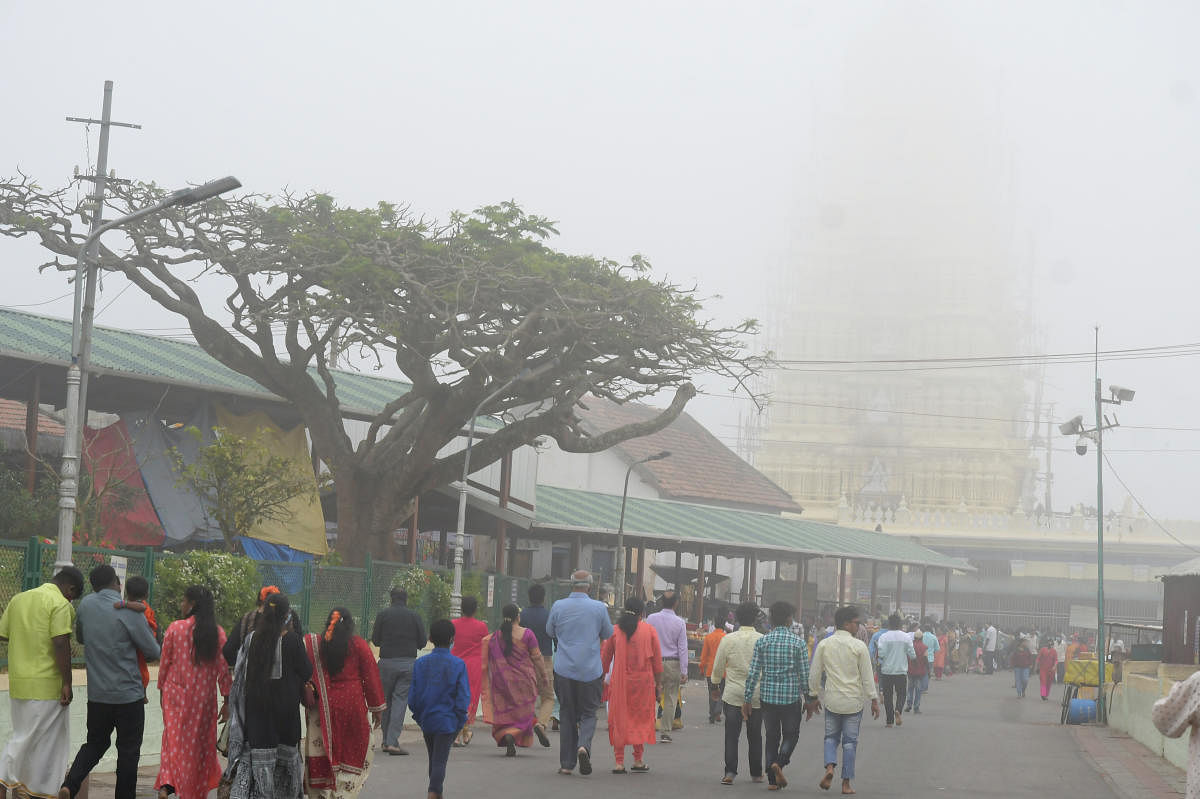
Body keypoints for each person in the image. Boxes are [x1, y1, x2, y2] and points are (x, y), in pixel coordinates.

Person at [60, 565, 162, 799]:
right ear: (117, 583)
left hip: (98, 697)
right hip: (129, 697)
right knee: (128, 753)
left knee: (95, 743)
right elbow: (152, 650)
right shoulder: (130, 612)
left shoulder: (85, 605)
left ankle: (70, 784)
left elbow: (81, 637)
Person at [0, 566, 84, 799]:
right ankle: (4, 778)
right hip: (47, 686)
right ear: (70, 588)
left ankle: (28, 791)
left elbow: (3, 634)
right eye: (72, 597)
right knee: (30, 742)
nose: (71, 601)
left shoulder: (19, 599)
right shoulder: (60, 604)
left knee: (31, 740)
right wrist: (67, 682)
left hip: (19, 683)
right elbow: (60, 643)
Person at [222, 593, 313, 799]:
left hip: (257, 712)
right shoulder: (293, 641)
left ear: (263, 612)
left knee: (258, 761)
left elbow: (238, 674)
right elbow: (307, 671)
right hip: (286, 715)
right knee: (284, 764)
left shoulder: (251, 639)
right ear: (287, 614)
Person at [154, 585, 231, 799]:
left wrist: (161, 689)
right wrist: (227, 699)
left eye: (183, 601)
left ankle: (168, 782)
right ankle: (192, 792)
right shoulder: (217, 633)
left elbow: (165, 663)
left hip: (175, 693)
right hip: (203, 700)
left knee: (173, 740)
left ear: (192, 604)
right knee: (198, 748)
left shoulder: (175, 628)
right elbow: (224, 670)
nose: (181, 605)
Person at [303, 608, 385, 799]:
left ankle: (324, 792)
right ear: (350, 625)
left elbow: (304, 670)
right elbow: (371, 677)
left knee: (323, 747)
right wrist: (377, 709)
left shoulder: (315, 645)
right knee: (354, 749)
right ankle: (343, 794)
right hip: (352, 704)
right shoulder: (359, 645)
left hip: (323, 706)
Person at [743, 601, 817, 791]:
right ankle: (780, 762)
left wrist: (747, 698)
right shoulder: (798, 643)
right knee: (791, 735)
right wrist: (809, 700)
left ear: (771, 619)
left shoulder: (762, 641)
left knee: (772, 736)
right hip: (790, 698)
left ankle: (772, 781)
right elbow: (803, 674)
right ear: (789, 619)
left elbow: (753, 673)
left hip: (767, 698)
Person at [545, 570, 613, 776]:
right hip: (590, 671)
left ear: (571, 584)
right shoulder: (599, 608)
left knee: (566, 714)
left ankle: (567, 763)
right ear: (590, 587)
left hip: (564, 669)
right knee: (589, 713)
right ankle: (583, 746)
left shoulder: (558, 606)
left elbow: (550, 631)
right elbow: (608, 633)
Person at [808, 606, 880, 796]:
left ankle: (830, 767)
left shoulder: (824, 644)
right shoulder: (859, 646)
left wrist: (813, 696)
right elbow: (867, 676)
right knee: (850, 743)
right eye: (857, 623)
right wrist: (873, 699)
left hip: (832, 699)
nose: (859, 626)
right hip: (853, 703)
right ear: (847, 624)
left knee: (831, 738)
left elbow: (815, 673)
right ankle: (846, 783)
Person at [602, 598, 663, 773]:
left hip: (620, 683)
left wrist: (601, 680)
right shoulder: (649, 631)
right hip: (643, 684)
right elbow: (657, 664)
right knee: (640, 719)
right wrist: (658, 685)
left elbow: (605, 660)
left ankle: (619, 762)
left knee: (620, 719)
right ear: (641, 613)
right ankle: (638, 759)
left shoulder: (615, 631)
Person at [410, 619, 470, 799]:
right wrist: (460, 720)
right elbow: (463, 697)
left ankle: (437, 791)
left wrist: (419, 717)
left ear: (430, 638)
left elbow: (413, 696)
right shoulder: (458, 664)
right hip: (448, 720)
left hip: (427, 718)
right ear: (452, 639)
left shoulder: (420, 663)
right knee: (439, 761)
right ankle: (434, 792)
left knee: (434, 759)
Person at [480, 604, 550, 756]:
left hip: (502, 682)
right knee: (525, 712)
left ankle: (507, 733)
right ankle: (515, 732)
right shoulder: (527, 634)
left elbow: (487, 660)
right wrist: (544, 677)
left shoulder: (495, 637)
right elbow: (537, 658)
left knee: (507, 713)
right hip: (524, 680)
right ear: (518, 617)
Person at [711, 602, 764, 785]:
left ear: (738, 618)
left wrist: (715, 686)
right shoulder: (762, 639)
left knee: (732, 735)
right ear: (756, 618)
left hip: (733, 694)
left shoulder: (728, 639)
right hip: (756, 695)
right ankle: (756, 773)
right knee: (755, 734)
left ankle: (730, 772)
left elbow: (718, 667)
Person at [372, 588, 427, 756]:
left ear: (391, 599)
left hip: (386, 663)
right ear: (406, 599)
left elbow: (375, 640)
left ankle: (385, 741)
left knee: (386, 702)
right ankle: (392, 742)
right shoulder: (414, 616)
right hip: (407, 664)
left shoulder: (383, 615)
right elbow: (423, 642)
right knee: (399, 701)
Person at [222, 585, 304, 667]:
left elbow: (228, 650)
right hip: (285, 676)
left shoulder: (246, 619)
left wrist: (242, 665)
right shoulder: (291, 618)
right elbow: (300, 650)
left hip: (252, 676)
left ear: (259, 602)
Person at [645, 590, 688, 742]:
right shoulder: (680, 622)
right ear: (676, 603)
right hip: (672, 663)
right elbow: (682, 648)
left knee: (649, 696)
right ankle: (665, 732)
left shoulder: (651, 618)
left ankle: (647, 727)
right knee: (670, 697)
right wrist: (684, 670)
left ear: (661, 602)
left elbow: (645, 640)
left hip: (653, 662)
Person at [450, 596, 488, 746]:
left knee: (455, 696)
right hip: (474, 666)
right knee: (469, 699)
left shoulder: (453, 624)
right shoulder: (481, 627)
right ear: (475, 609)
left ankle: (463, 732)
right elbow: (486, 646)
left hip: (456, 664)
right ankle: (460, 733)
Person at [520, 583, 556, 739]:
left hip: (524, 662)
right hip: (545, 660)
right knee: (548, 697)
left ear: (529, 597)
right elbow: (555, 637)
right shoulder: (549, 615)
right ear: (543, 598)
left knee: (526, 697)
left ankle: (523, 727)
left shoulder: (522, 616)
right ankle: (541, 724)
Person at [118, 576, 157, 703]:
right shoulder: (146, 606)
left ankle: (143, 693)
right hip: (145, 641)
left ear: (127, 593)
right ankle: (143, 693)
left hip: (140, 641)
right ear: (147, 594)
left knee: (139, 668)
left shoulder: (136, 607)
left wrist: (123, 604)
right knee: (141, 668)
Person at [875, 614, 914, 728]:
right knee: (901, 693)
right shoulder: (906, 637)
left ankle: (889, 721)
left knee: (888, 696)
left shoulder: (884, 637)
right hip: (901, 671)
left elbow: (881, 654)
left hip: (887, 671)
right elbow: (912, 654)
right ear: (900, 624)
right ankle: (898, 710)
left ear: (889, 624)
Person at [699, 614, 726, 724]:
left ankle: (712, 713)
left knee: (712, 692)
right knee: (722, 692)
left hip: (711, 670)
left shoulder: (708, 637)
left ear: (714, 625)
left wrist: (702, 669)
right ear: (724, 625)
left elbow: (704, 656)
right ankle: (718, 711)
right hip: (724, 671)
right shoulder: (726, 638)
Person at [904, 626, 928, 714]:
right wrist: (927, 670)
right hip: (920, 671)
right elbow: (925, 659)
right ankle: (916, 707)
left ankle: (908, 705)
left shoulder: (910, 645)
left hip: (910, 670)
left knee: (910, 688)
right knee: (918, 690)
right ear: (922, 638)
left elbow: (907, 657)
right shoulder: (924, 647)